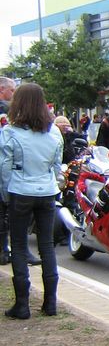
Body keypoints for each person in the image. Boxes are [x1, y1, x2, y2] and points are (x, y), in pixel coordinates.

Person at [0, 83, 63, 319]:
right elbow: (56, 166)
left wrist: (5, 195)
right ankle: (50, 302)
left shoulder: (10, 132)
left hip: (20, 189)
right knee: (46, 245)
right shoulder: (53, 132)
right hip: (46, 190)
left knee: (18, 245)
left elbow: (5, 167)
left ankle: (22, 304)